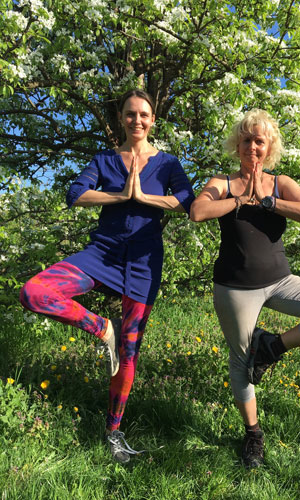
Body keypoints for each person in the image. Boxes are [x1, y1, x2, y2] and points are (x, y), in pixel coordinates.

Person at [19, 89, 195, 464]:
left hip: (144, 263)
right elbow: (75, 193)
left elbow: (188, 202)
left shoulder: (167, 163)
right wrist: (120, 197)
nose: (137, 121)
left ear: (153, 120)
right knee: (34, 292)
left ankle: (113, 434)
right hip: (102, 254)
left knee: (129, 353)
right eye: (131, 114)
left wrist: (145, 199)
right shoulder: (105, 159)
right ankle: (103, 328)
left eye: (144, 115)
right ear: (121, 118)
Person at [189, 108, 300, 469]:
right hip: (235, 287)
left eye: (259, 140)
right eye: (246, 139)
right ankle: (253, 434)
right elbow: (198, 211)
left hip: (281, 281)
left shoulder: (280, 181)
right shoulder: (222, 181)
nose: (252, 146)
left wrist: (267, 201)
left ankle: (272, 345)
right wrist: (240, 200)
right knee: (240, 362)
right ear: (236, 144)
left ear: (269, 147)